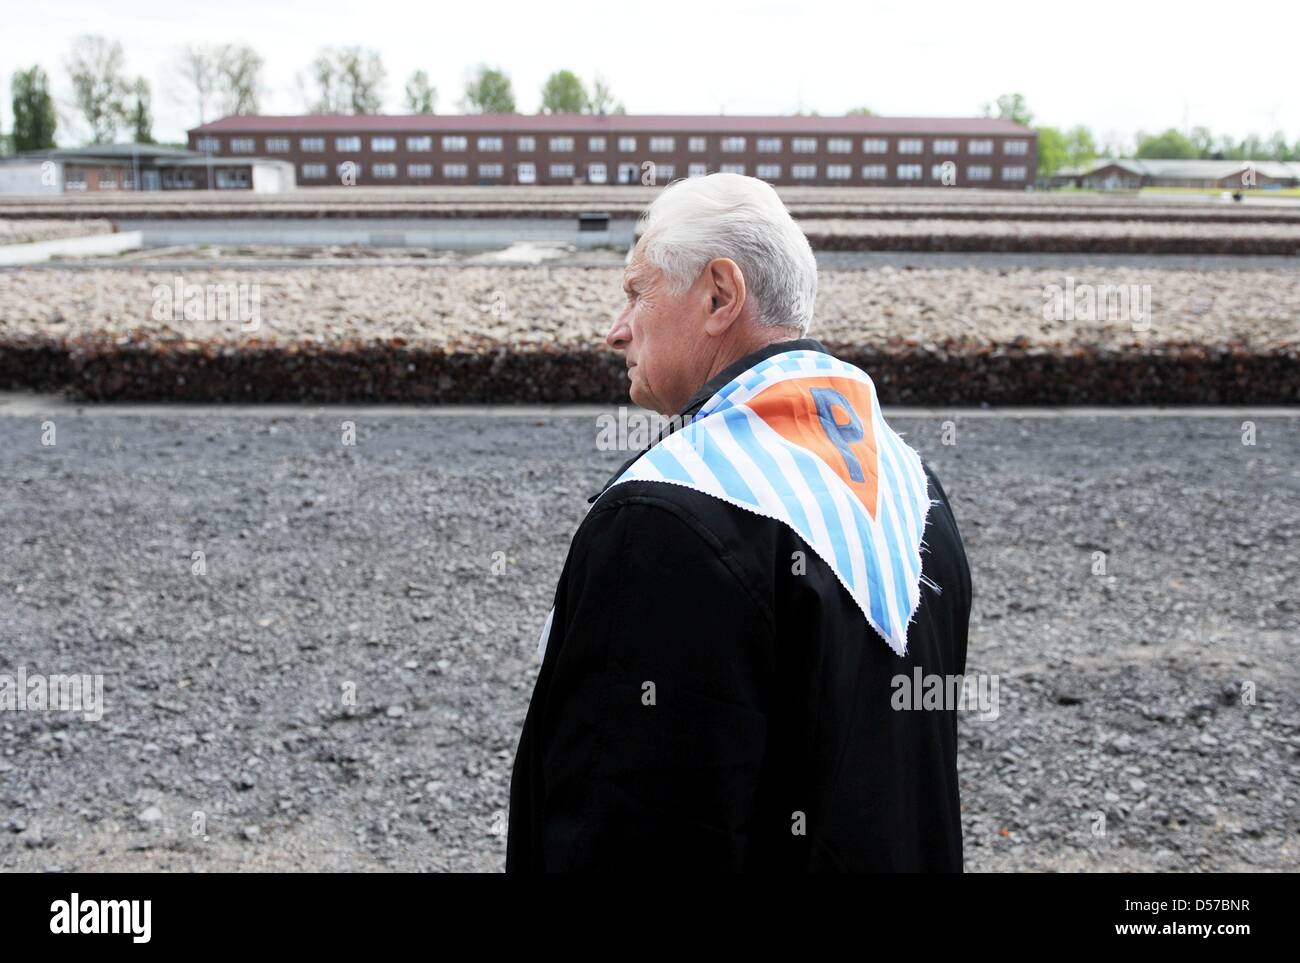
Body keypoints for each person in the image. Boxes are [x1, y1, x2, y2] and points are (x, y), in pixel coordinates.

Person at [507, 173, 972, 872]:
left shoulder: (663, 522)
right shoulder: (918, 490)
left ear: (719, 295)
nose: (616, 330)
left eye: (637, 291)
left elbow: (622, 835)